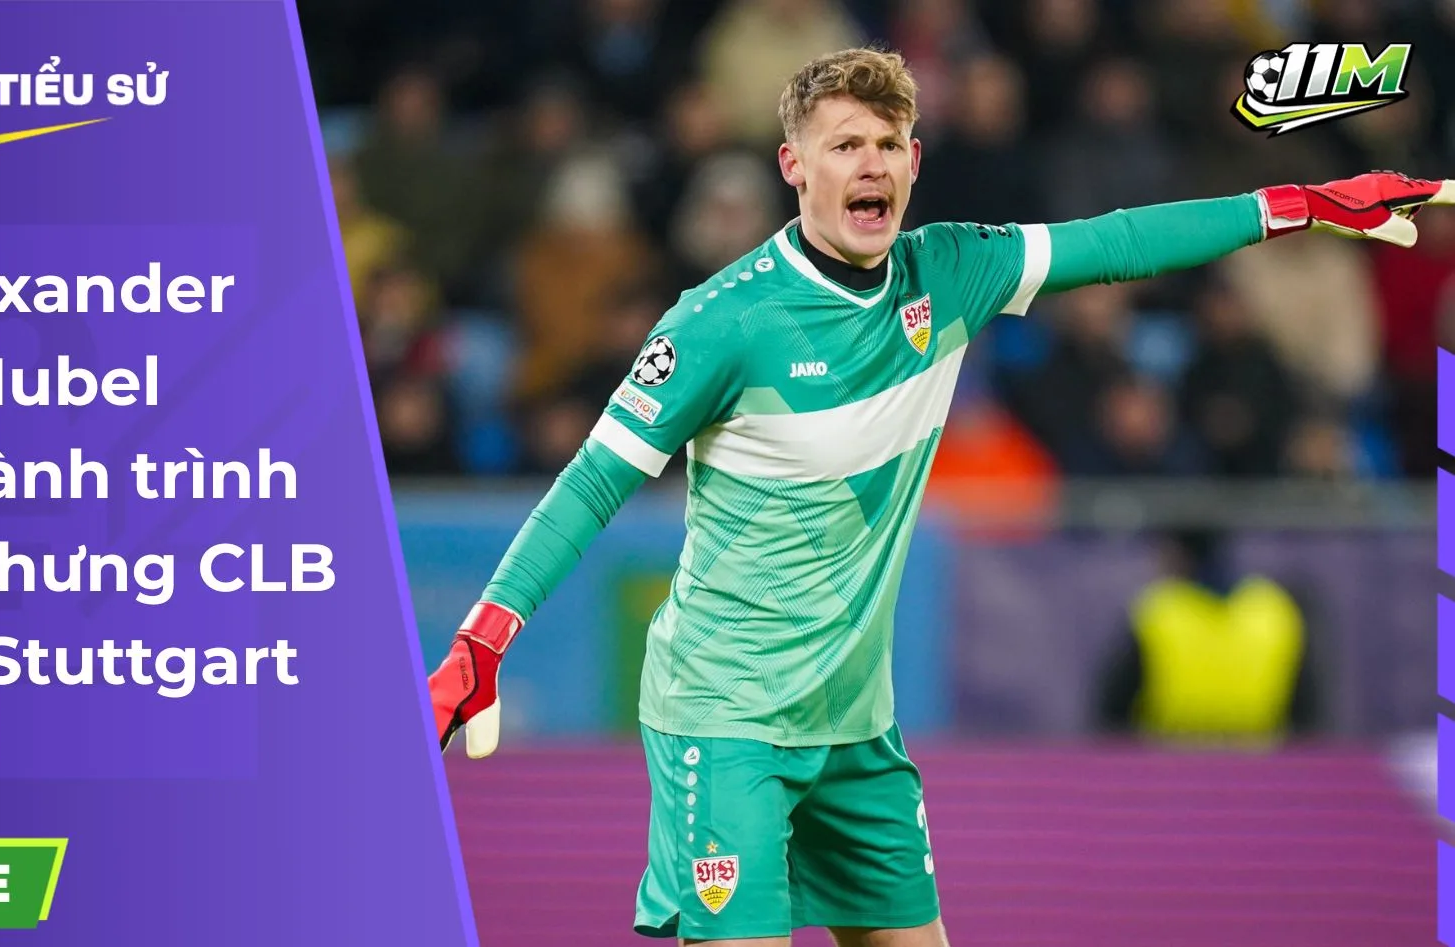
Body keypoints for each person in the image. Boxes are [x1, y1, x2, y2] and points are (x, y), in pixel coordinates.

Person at [427, 46, 1451, 947]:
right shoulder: (719, 322)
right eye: (844, 145)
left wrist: (1301, 205)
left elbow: (1121, 241)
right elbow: (591, 483)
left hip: (855, 724)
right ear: (794, 166)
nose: (870, 163)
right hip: (725, 720)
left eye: (888, 143)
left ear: (914, 162)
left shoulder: (952, 271)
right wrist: (484, 638)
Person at [1094, 528, 1323, 743]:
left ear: (1178, 554)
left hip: (1168, 762)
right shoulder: (1276, 610)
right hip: (1262, 764)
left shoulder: (1156, 612)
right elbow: (1306, 716)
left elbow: (1112, 715)